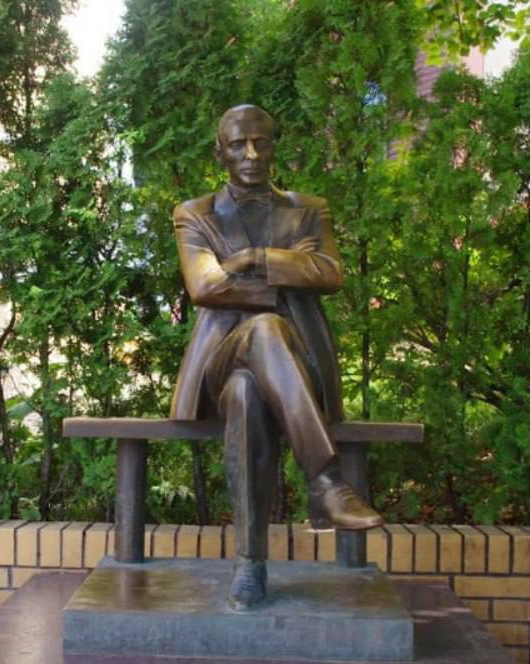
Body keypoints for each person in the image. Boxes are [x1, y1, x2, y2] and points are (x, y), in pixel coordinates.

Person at [170, 104, 382, 610]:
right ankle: (326, 482)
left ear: (273, 147)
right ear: (220, 152)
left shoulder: (308, 209)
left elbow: (329, 273)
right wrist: (287, 273)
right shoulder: (194, 213)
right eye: (238, 144)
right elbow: (204, 287)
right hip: (220, 360)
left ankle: (250, 565)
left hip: (295, 367)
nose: (250, 153)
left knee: (248, 391)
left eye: (260, 142)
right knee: (264, 330)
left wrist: (253, 259)